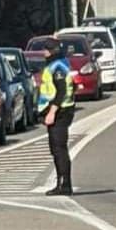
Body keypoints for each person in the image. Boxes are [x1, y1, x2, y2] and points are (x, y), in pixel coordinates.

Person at [37, 37, 76, 196]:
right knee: (56, 149)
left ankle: (65, 185)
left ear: (52, 51)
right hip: (60, 110)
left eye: (46, 49)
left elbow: (61, 91)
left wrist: (52, 112)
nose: (44, 52)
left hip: (60, 112)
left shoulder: (58, 67)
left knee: (59, 149)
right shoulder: (58, 64)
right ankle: (61, 182)